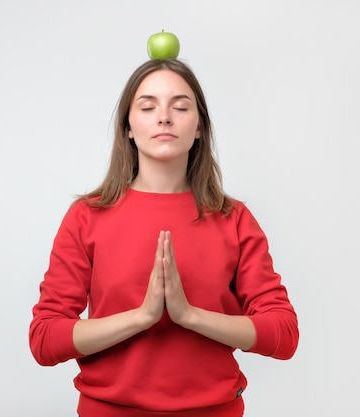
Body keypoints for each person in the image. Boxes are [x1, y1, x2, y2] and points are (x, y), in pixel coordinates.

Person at [29, 58, 299, 417]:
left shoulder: (234, 220)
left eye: (181, 106)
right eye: (148, 106)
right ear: (128, 125)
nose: (164, 117)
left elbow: (283, 334)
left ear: (199, 126)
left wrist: (189, 316)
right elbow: (46, 339)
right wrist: (142, 317)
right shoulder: (86, 217)